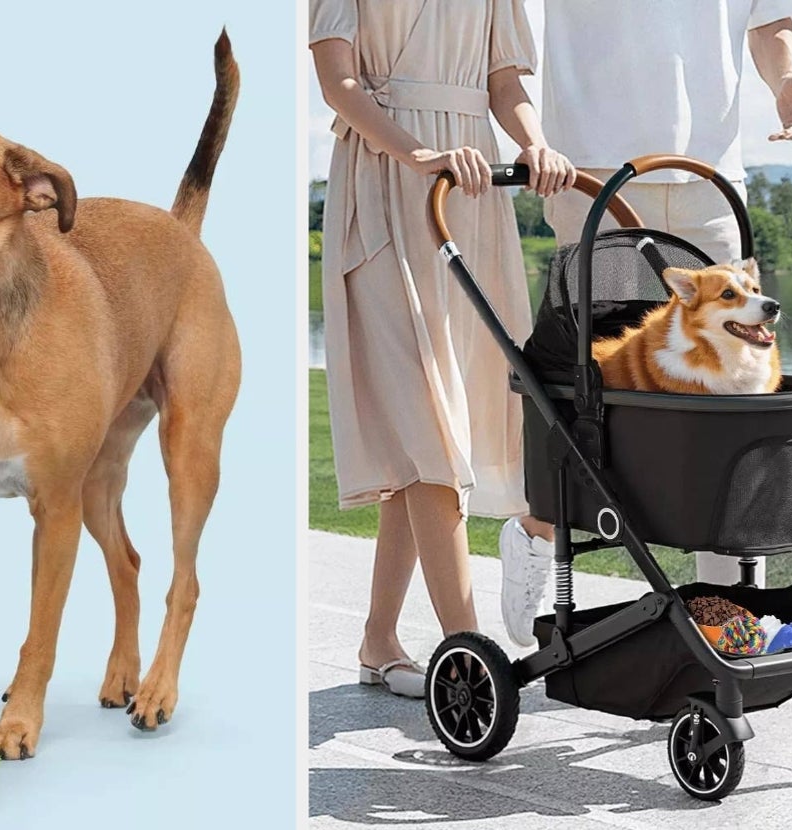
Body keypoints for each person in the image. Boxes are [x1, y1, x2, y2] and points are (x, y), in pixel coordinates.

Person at [501, 0, 792, 646]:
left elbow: (771, 20)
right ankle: (540, 529)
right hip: (593, 169)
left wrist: (788, 80)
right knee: (596, 385)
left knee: (734, 398)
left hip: (709, 175)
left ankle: (732, 619)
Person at [310, 0, 575, 696]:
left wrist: (533, 144)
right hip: (385, 178)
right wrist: (416, 153)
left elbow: (504, 81)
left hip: (470, 186)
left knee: (424, 436)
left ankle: (378, 641)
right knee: (429, 424)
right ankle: (473, 657)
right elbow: (337, 82)